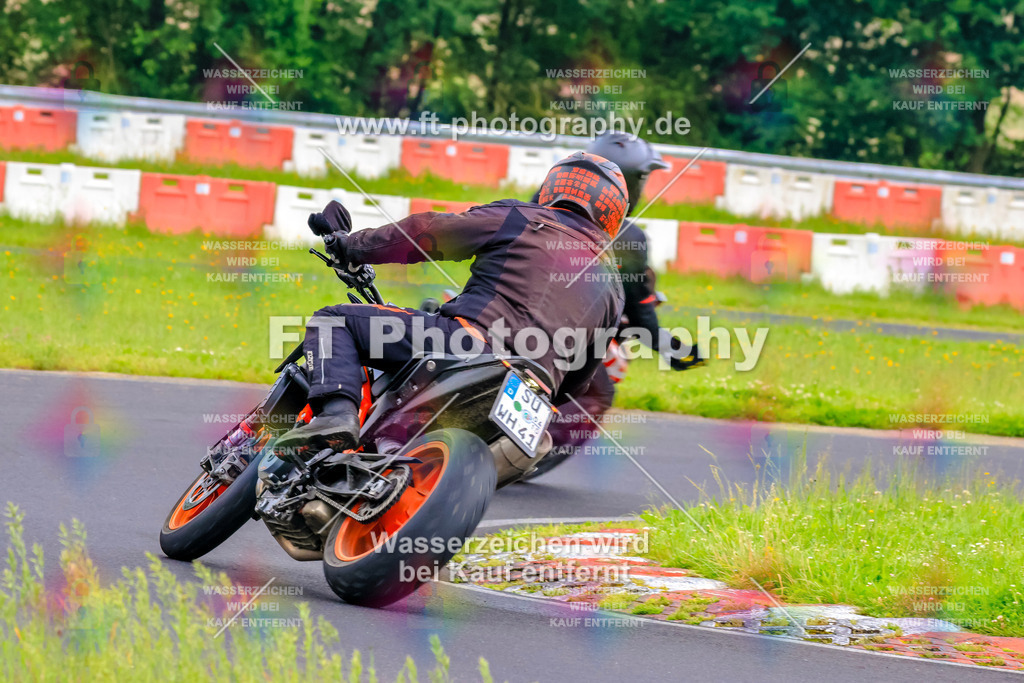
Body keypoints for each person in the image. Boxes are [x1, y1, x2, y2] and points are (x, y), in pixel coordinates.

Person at [275, 152, 628, 456]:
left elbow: (428, 232)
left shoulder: (522, 218)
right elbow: (580, 381)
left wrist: (351, 246)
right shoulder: (613, 287)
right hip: (534, 394)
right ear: (612, 215)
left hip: (469, 343)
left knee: (334, 321)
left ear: (552, 188)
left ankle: (335, 417)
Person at [526, 133, 705, 480]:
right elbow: (639, 312)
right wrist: (672, 348)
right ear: (628, 183)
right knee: (597, 392)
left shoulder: (540, 202)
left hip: (499, 312)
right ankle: (528, 454)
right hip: (556, 335)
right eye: (642, 180)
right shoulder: (629, 240)